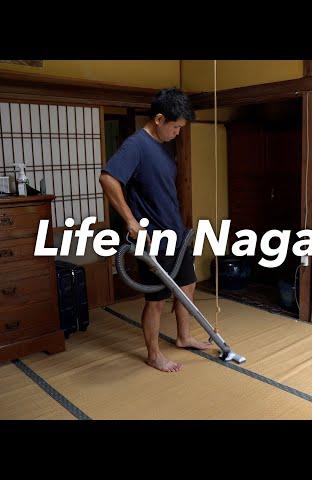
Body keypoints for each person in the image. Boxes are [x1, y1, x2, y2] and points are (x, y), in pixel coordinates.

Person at [99, 88, 211, 373]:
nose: (177, 133)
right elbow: (108, 179)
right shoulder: (136, 145)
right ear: (159, 119)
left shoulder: (162, 147)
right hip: (153, 239)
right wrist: (131, 222)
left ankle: (184, 337)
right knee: (157, 300)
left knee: (187, 284)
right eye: (175, 127)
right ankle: (153, 354)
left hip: (175, 232)